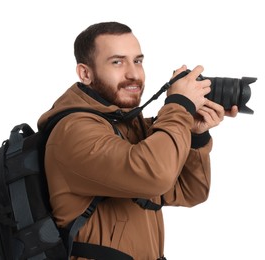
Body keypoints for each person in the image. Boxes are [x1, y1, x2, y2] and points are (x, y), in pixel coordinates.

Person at [38, 21, 238, 260]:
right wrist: (179, 107)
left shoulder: (126, 125)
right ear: (85, 73)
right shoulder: (74, 131)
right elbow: (156, 174)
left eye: (138, 61)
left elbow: (189, 191)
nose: (133, 74)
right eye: (117, 62)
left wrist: (194, 134)